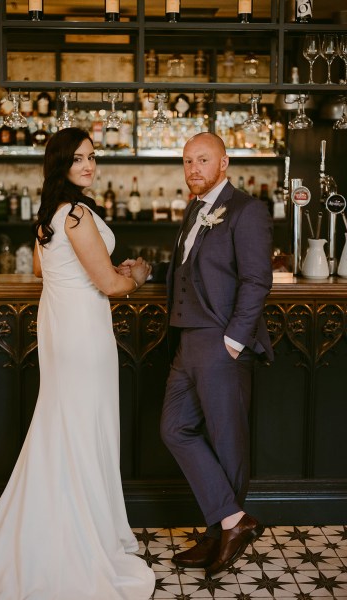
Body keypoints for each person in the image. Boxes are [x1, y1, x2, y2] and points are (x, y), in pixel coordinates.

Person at [0, 128, 155, 600]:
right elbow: (109, 286)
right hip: (83, 333)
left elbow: (47, 270)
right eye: (78, 158)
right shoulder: (78, 214)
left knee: (67, 423)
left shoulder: (50, 215)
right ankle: (83, 533)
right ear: (60, 164)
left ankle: (69, 521)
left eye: (92, 156)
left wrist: (106, 271)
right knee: (84, 426)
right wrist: (136, 274)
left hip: (61, 327)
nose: (88, 165)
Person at [160, 132, 273, 577]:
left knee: (227, 441)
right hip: (187, 340)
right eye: (187, 161)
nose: (193, 169)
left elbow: (256, 280)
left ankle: (218, 534)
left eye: (202, 160)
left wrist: (234, 339)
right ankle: (231, 522)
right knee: (174, 427)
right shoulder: (195, 208)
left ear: (223, 163)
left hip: (221, 339)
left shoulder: (247, 210)